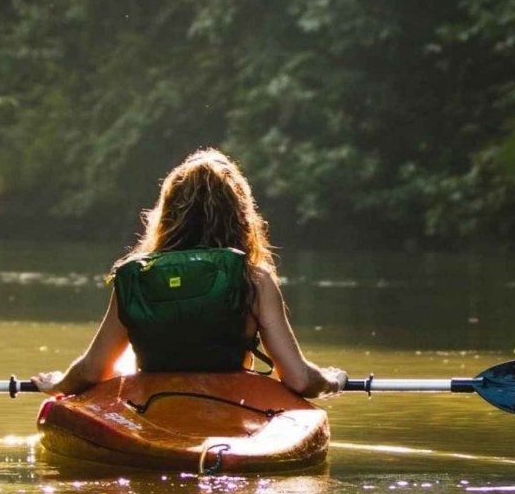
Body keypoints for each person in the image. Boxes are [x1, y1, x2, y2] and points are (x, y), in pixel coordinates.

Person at [31, 149, 347, 399]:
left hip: (152, 408)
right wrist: (331, 380)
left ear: (167, 213)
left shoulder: (138, 277)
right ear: (240, 216)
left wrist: (59, 384)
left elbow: (91, 371)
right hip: (231, 408)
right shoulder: (254, 281)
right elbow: (300, 379)